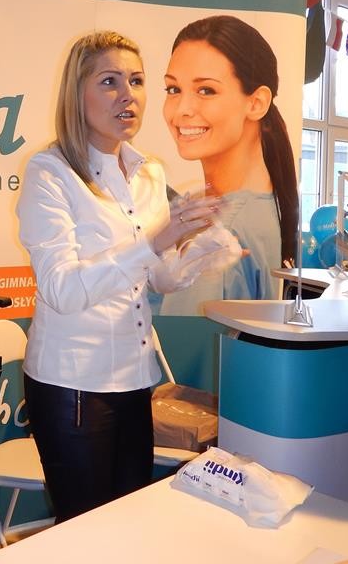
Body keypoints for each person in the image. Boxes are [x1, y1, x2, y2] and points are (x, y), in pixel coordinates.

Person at [16, 30, 239, 523]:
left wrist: (202, 242)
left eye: (136, 81)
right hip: (74, 386)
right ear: (77, 93)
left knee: (127, 526)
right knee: (84, 534)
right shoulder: (50, 172)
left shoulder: (149, 173)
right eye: (109, 81)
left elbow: (159, 279)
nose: (128, 95)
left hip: (135, 381)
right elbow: (61, 290)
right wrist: (154, 241)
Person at [159, 15, 299, 315]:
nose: (182, 110)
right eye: (173, 89)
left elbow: (181, 343)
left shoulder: (218, 237)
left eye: (206, 90)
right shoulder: (266, 205)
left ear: (256, 103)